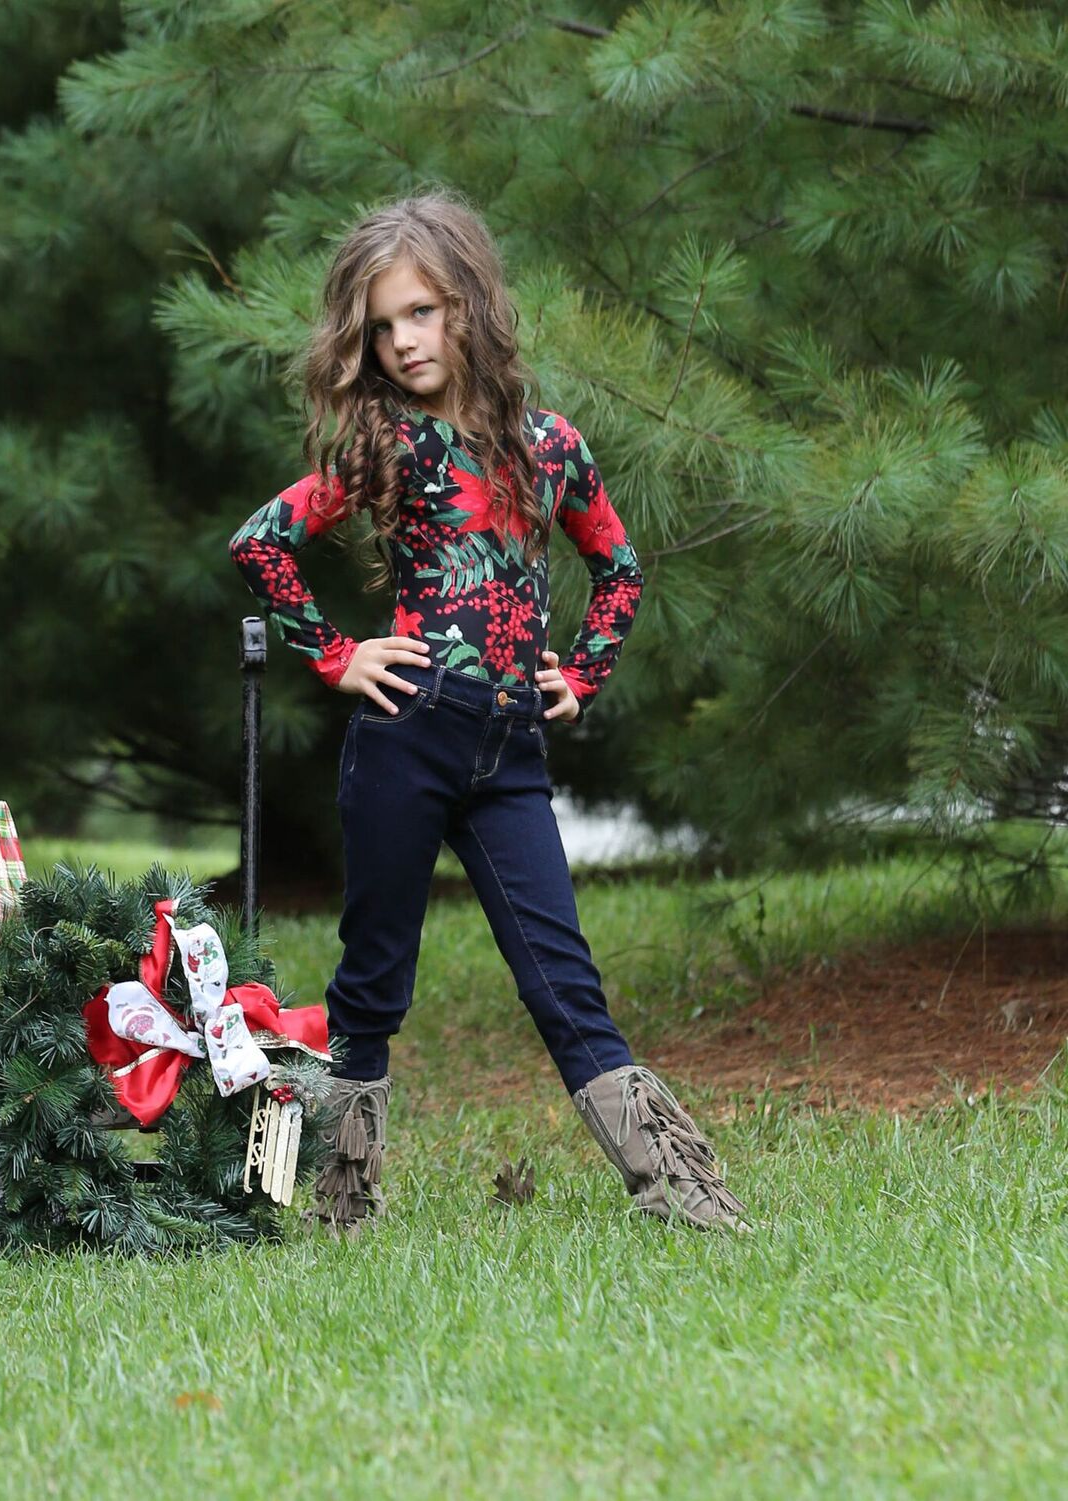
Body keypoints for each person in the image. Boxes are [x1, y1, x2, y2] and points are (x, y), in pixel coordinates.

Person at [230, 188, 747, 1235]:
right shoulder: (387, 446)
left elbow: (622, 565)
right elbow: (259, 542)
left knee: (564, 980)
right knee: (373, 980)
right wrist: (337, 654)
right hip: (407, 738)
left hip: (510, 751)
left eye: (422, 311)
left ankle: (682, 1191)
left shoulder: (550, 445)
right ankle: (332, 1201)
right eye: (382, 325)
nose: (403, 340)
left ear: (468, 304)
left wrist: (583, 673)